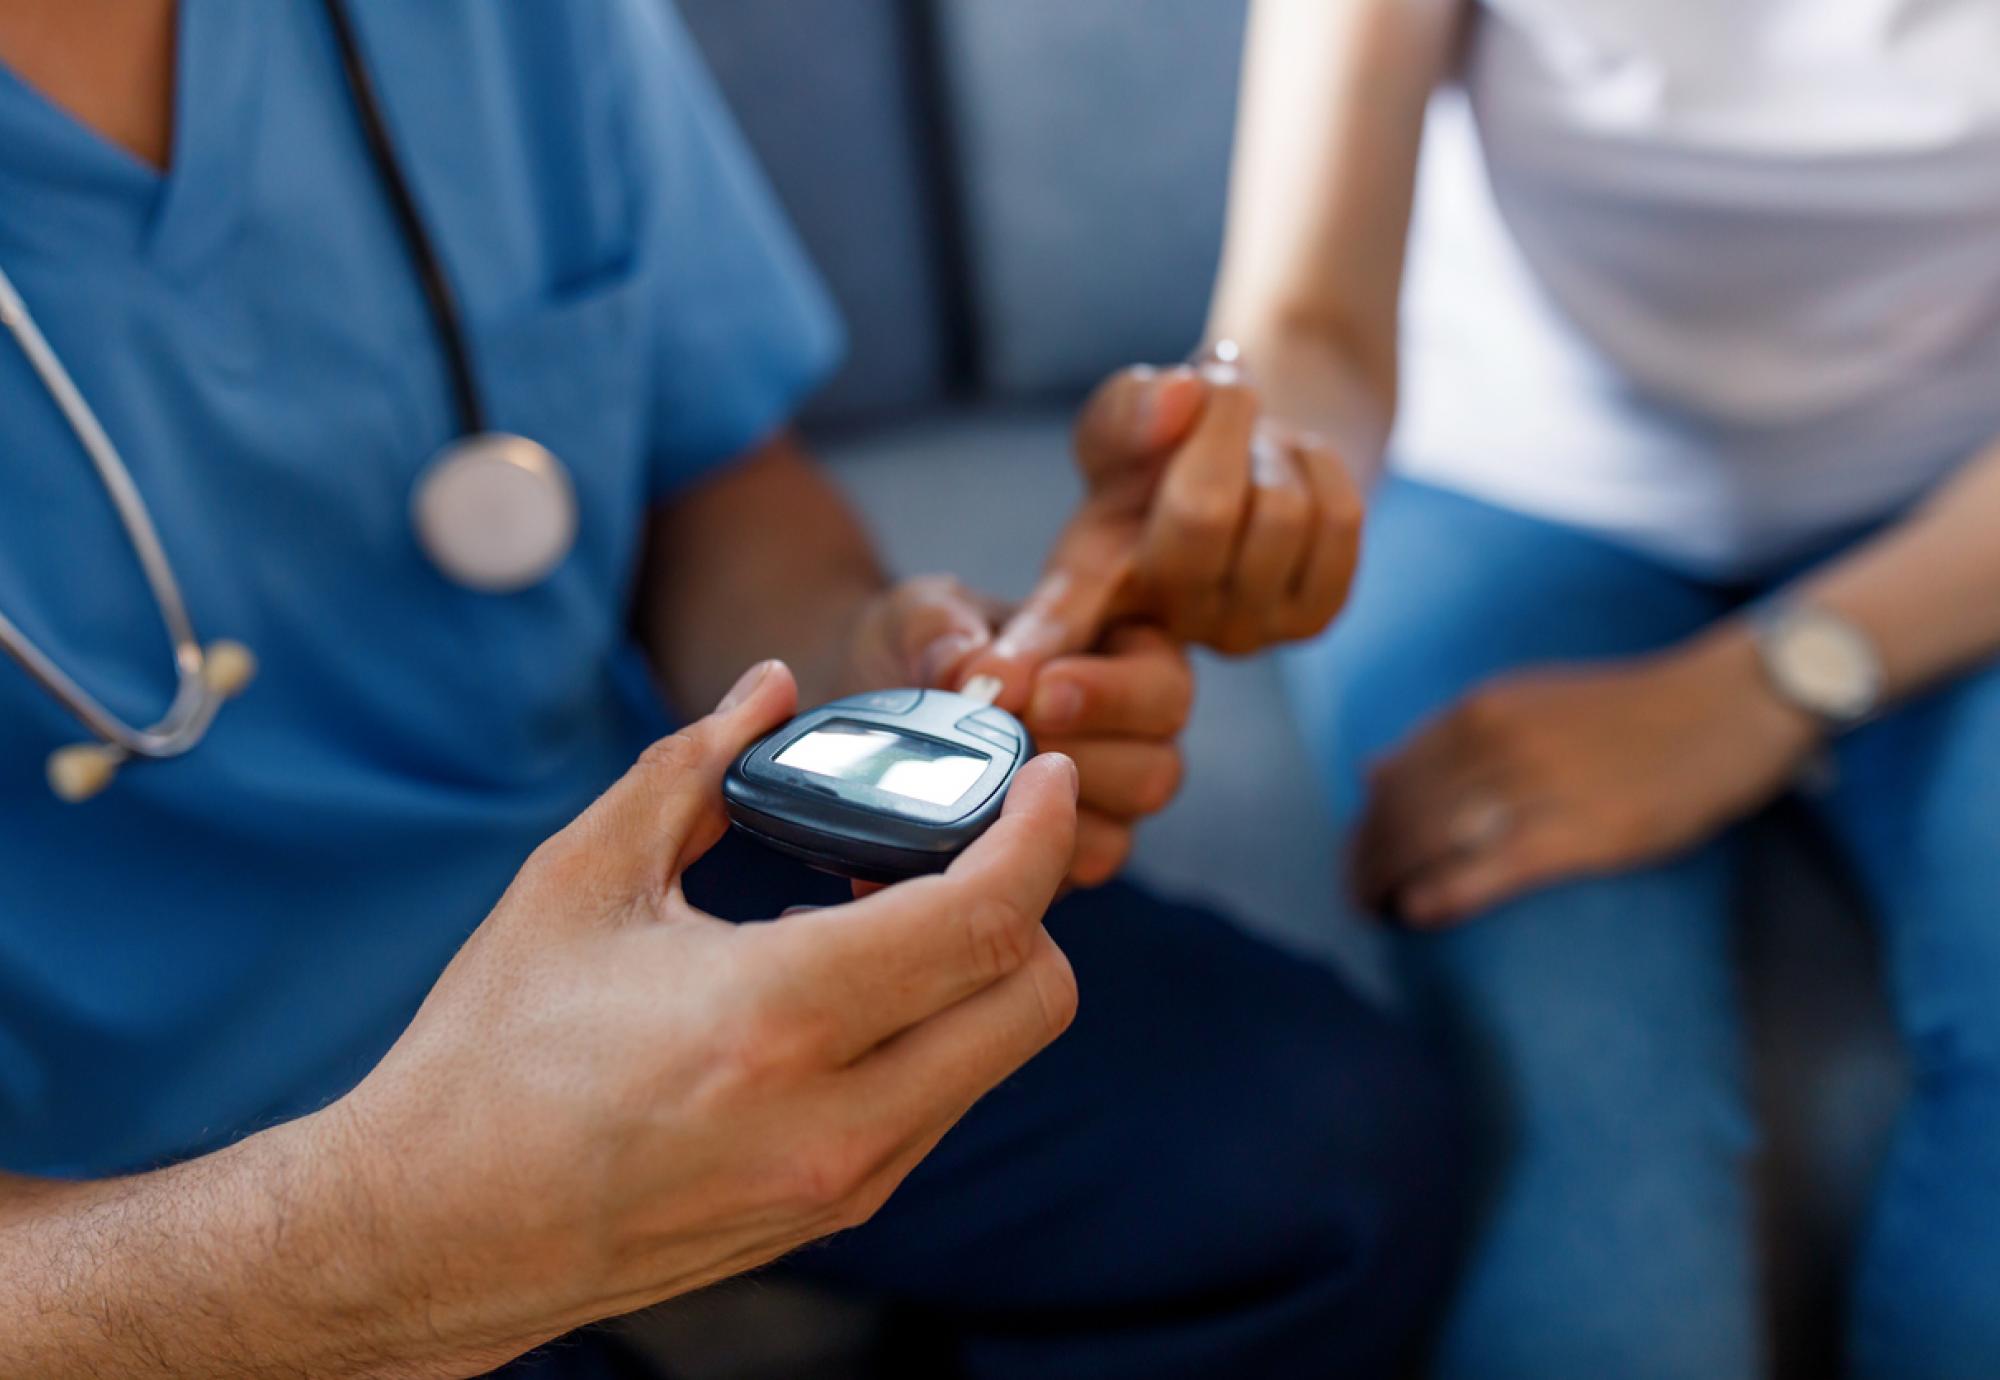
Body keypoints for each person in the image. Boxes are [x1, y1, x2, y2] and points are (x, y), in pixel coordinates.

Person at [0, 2, 1462, 1376]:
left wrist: (859, 666)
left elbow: (712, 476)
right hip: (127, 1161)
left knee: (1320, 1162)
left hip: (628, 881)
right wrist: (369, 1250)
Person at [1196, 0, 2000, 1376]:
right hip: (1503, 484)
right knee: (1603, 1237)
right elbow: (1307, 317)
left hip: (1959, 502)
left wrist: (1753, 696)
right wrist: (1243, 475)